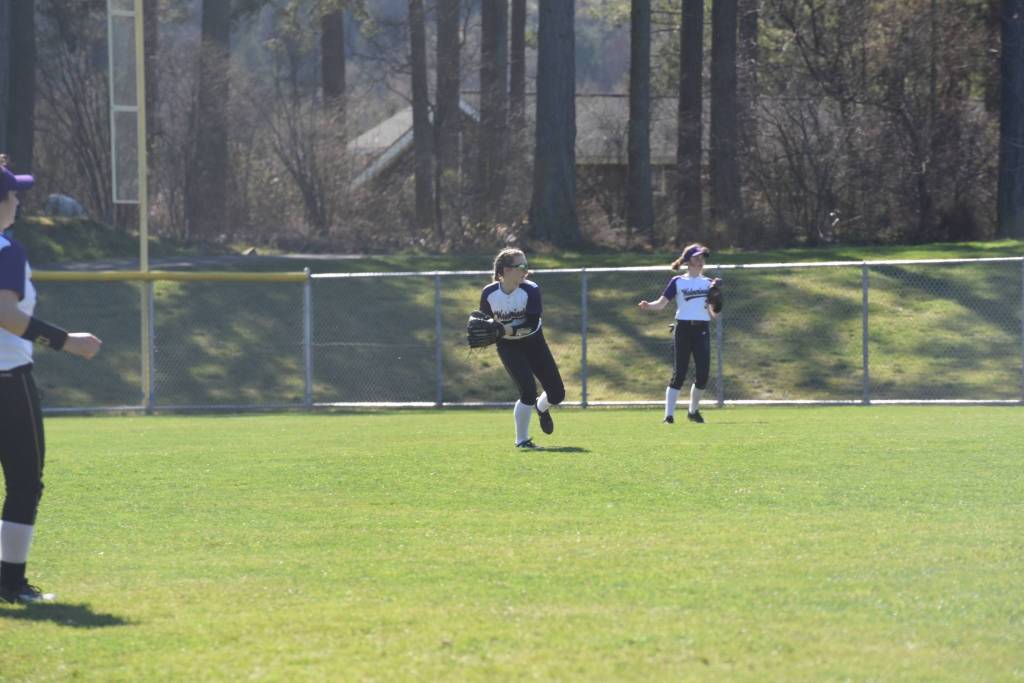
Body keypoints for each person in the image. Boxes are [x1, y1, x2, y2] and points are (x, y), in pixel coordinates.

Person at [0, 156, 102, 604]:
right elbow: (4, 313)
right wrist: (66, 342)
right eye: (14, 194)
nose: (19, 201)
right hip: (7, 383)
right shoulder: (8, 251)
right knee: (24, 482)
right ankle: (10, 582)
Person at [478, 248, 565, 448]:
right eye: (521, 266)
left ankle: (541, 409)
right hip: (509, 348)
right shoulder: (489, 293)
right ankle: (522, 440)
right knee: (527, 390)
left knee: (557, 394)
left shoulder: (531, 289)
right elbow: (485, 322)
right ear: (507, 270)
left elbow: (532, 323)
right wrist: (484, 330)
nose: (526, 270)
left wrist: (505, 329)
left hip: (534, 343)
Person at [638, 243, 719, 424]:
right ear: (689, 260)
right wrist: (648, 305)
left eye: (702, 258)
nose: (700, 261)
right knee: (679, 374)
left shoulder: (708, 283)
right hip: (683, 329)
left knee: (703, 374)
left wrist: (717, 299)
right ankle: (669, 416)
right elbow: (661, 304)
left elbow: (714, 314)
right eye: (697, 257)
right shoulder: (678, 282)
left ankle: (693, 411)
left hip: (702, 329)